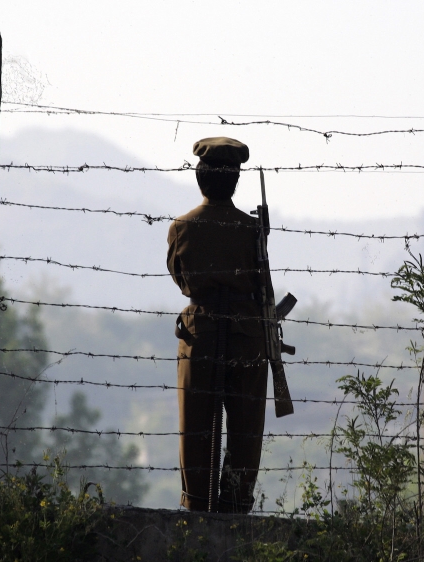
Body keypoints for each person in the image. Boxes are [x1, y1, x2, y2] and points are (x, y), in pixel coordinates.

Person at [167, 137, 267, 513]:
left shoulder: (182, 227)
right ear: (236, 181)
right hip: (247, 336)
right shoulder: (251, 229)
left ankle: (196, 509)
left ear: (200, 178)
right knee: (244, 431)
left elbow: (181, 278)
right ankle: (236, 505)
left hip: (200, 334)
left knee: (196, 430)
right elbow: (261, 281)